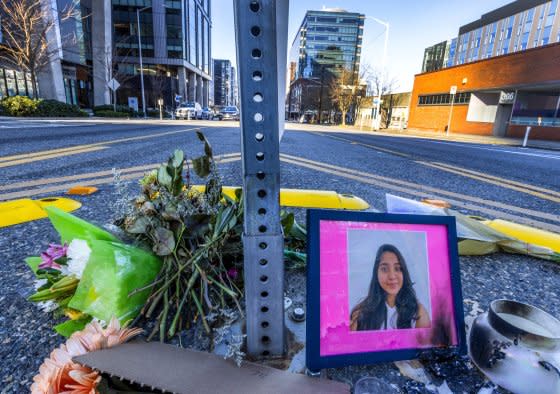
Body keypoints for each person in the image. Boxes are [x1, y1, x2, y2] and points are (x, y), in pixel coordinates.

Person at [350, 244, 430, 331]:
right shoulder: (360, 313)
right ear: (376, 274)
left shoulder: (418, 313)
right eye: (384, 269)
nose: (392, 276)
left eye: (397, 268)